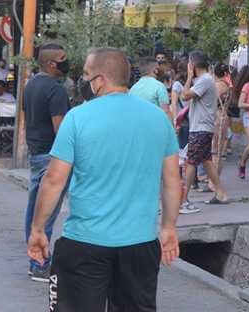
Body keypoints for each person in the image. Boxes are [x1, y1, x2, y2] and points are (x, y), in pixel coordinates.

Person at [27, 48, 182, 311]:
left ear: (100, 80)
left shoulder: (78, 117)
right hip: (140, 243)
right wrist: (168, 227)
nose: (85, 81)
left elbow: (54, 180)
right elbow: (171, 180)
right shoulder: (159, 119)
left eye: (87, 75)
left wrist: (38, 229)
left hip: (84, 243)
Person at [21, 43, 72, 281]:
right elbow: (60, 129)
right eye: (63, 59)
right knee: (47, 211)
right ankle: (39, 263)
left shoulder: (31, 85)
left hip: (36, 152)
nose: (66, 62)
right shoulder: (56, 89)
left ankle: (35, 256)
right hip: (52, 156)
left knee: (36, 209)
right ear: (51, 63)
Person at [181, 51, 229, 211]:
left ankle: (183, 200)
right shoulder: (205, 80)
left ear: (192, 65)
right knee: (207, 161)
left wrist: (188, 77)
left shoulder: (205, 80)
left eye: (189, 63)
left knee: (191, 162)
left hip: (200, 127)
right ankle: (221, 193)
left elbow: (185, 96)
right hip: (202, 127)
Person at [129, 56, 173, 121]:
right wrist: (172, 129)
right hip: (155, 127)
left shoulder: (133, 88)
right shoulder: (159, 86)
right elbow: (165, 112)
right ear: (155, 70)